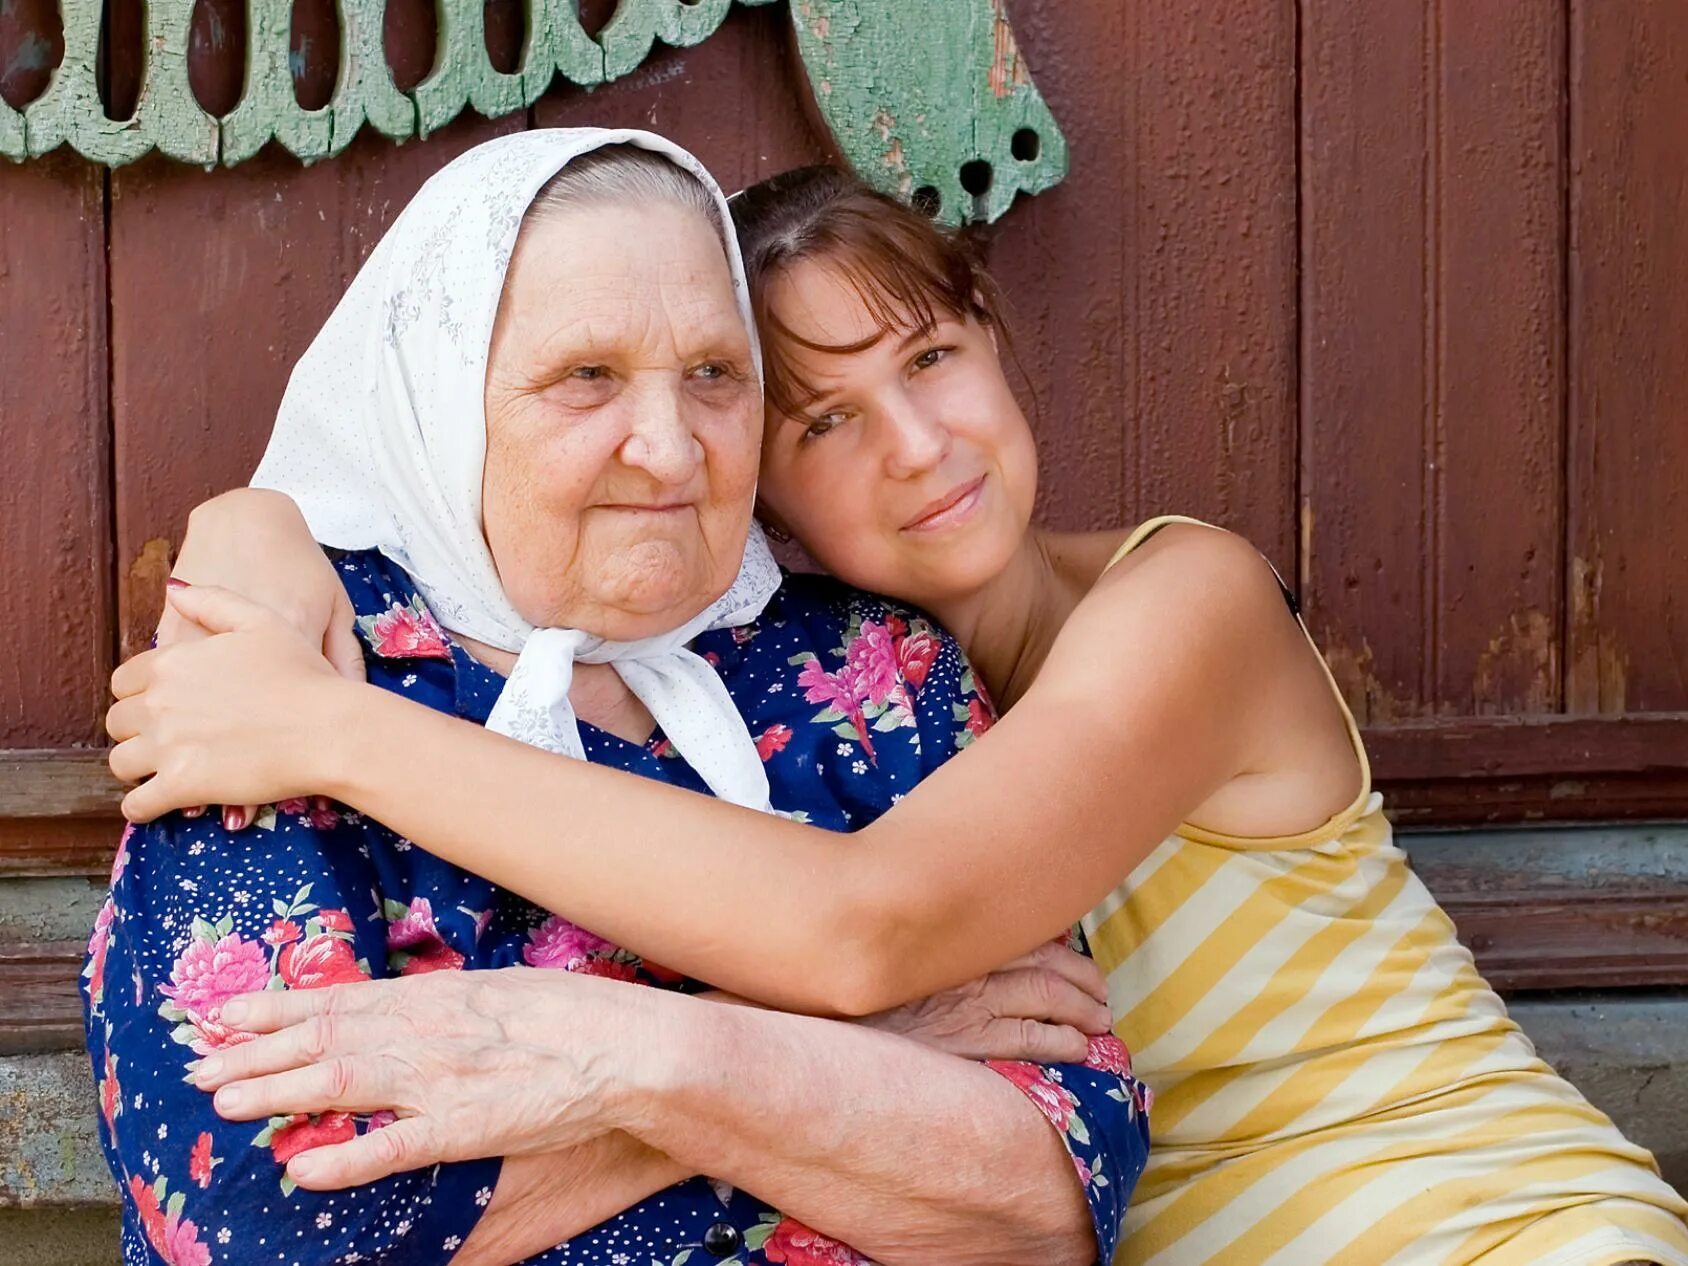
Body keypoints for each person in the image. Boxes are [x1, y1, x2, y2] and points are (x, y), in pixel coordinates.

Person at [113, 160, 1688, 1266]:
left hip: (1481, 1225)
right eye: (824, 417)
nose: (922, 443)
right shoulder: (855, 689)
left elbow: (880, 939)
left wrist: (333, 735)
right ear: (767, 499)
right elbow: (265, 1216)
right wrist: (254, 523)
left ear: (998, 341)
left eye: (935, 356)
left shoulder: (1174, 607)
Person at [84, 131, 1151, 1266]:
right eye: (586, 376)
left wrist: (636, 1061)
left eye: (712, 375)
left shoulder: (872, 667)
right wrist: (847, 1055)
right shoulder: (296, 663)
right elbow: (265, 1222)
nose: (666, 449)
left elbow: (1059, 1183)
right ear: (441, 394)